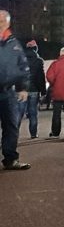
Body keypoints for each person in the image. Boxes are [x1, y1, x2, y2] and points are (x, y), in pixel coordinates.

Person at [0, 9, 31, 169]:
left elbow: (23, 67)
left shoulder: (14, 44)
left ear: (8, 23)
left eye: (2, 21)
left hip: (8, 92)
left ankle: (11, 159)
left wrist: (23, 88)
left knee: (11, 126)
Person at [20, 40, 46, 139]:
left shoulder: (20, 59)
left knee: (18, 113)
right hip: (34, 90)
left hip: (21, 90)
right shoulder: (39, 61)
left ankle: (13, 134)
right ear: (36, 49)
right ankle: (33, 134)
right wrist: (43, 92)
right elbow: (41, 78)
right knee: (33, 113)